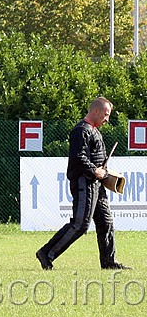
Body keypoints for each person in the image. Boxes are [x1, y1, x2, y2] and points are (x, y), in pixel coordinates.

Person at [36, 97, 131, 271]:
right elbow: (78, 157)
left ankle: (109, 262)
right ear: (96, 111)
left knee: (106, 222)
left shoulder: (94, 130)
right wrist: (95, 170)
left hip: (96, 184)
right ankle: (46, 253)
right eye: (106, 114)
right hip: (84, 183)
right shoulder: (81, 130)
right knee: (80, 225)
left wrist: (104, 173)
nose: (107, 119)